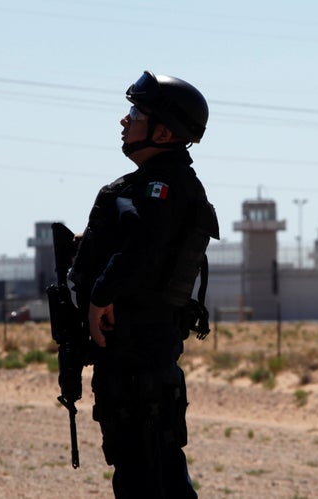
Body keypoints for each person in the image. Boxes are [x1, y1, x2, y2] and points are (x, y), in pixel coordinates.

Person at [68, 70, 219, 498]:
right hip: (136, 361)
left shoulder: (161, 189)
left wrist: (101, 296)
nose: (125, 119)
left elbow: (144, 248)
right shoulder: (154, 188)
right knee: (150, 473)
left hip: (139, 362)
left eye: (137, 112)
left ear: (166, 131)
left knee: (149, 476)